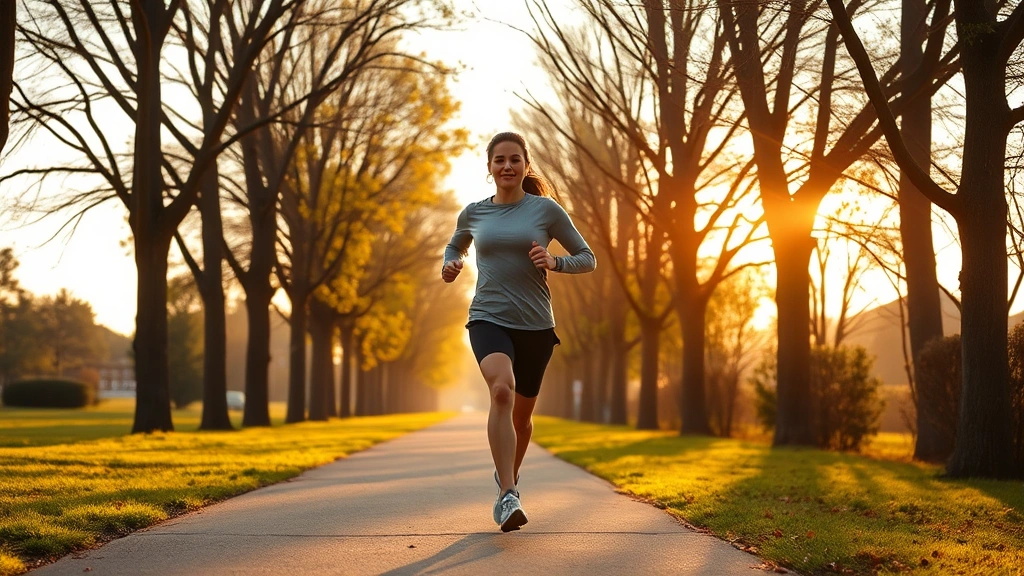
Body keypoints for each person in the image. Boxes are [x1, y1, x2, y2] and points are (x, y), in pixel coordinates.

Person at [441, 132, 597, 532]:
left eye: (514, 159)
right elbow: (455, 247)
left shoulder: (546, 210)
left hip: (536, 325)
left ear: (526, 166)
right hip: (488, 316)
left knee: (522, 419)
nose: (507, 166)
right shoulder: (474, 213)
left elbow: (587, 258)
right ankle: (509, 494)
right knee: (501, 390)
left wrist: (555, 262)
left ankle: (506, 478)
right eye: (500, 160)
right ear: (489, 167)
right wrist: (451, 264)